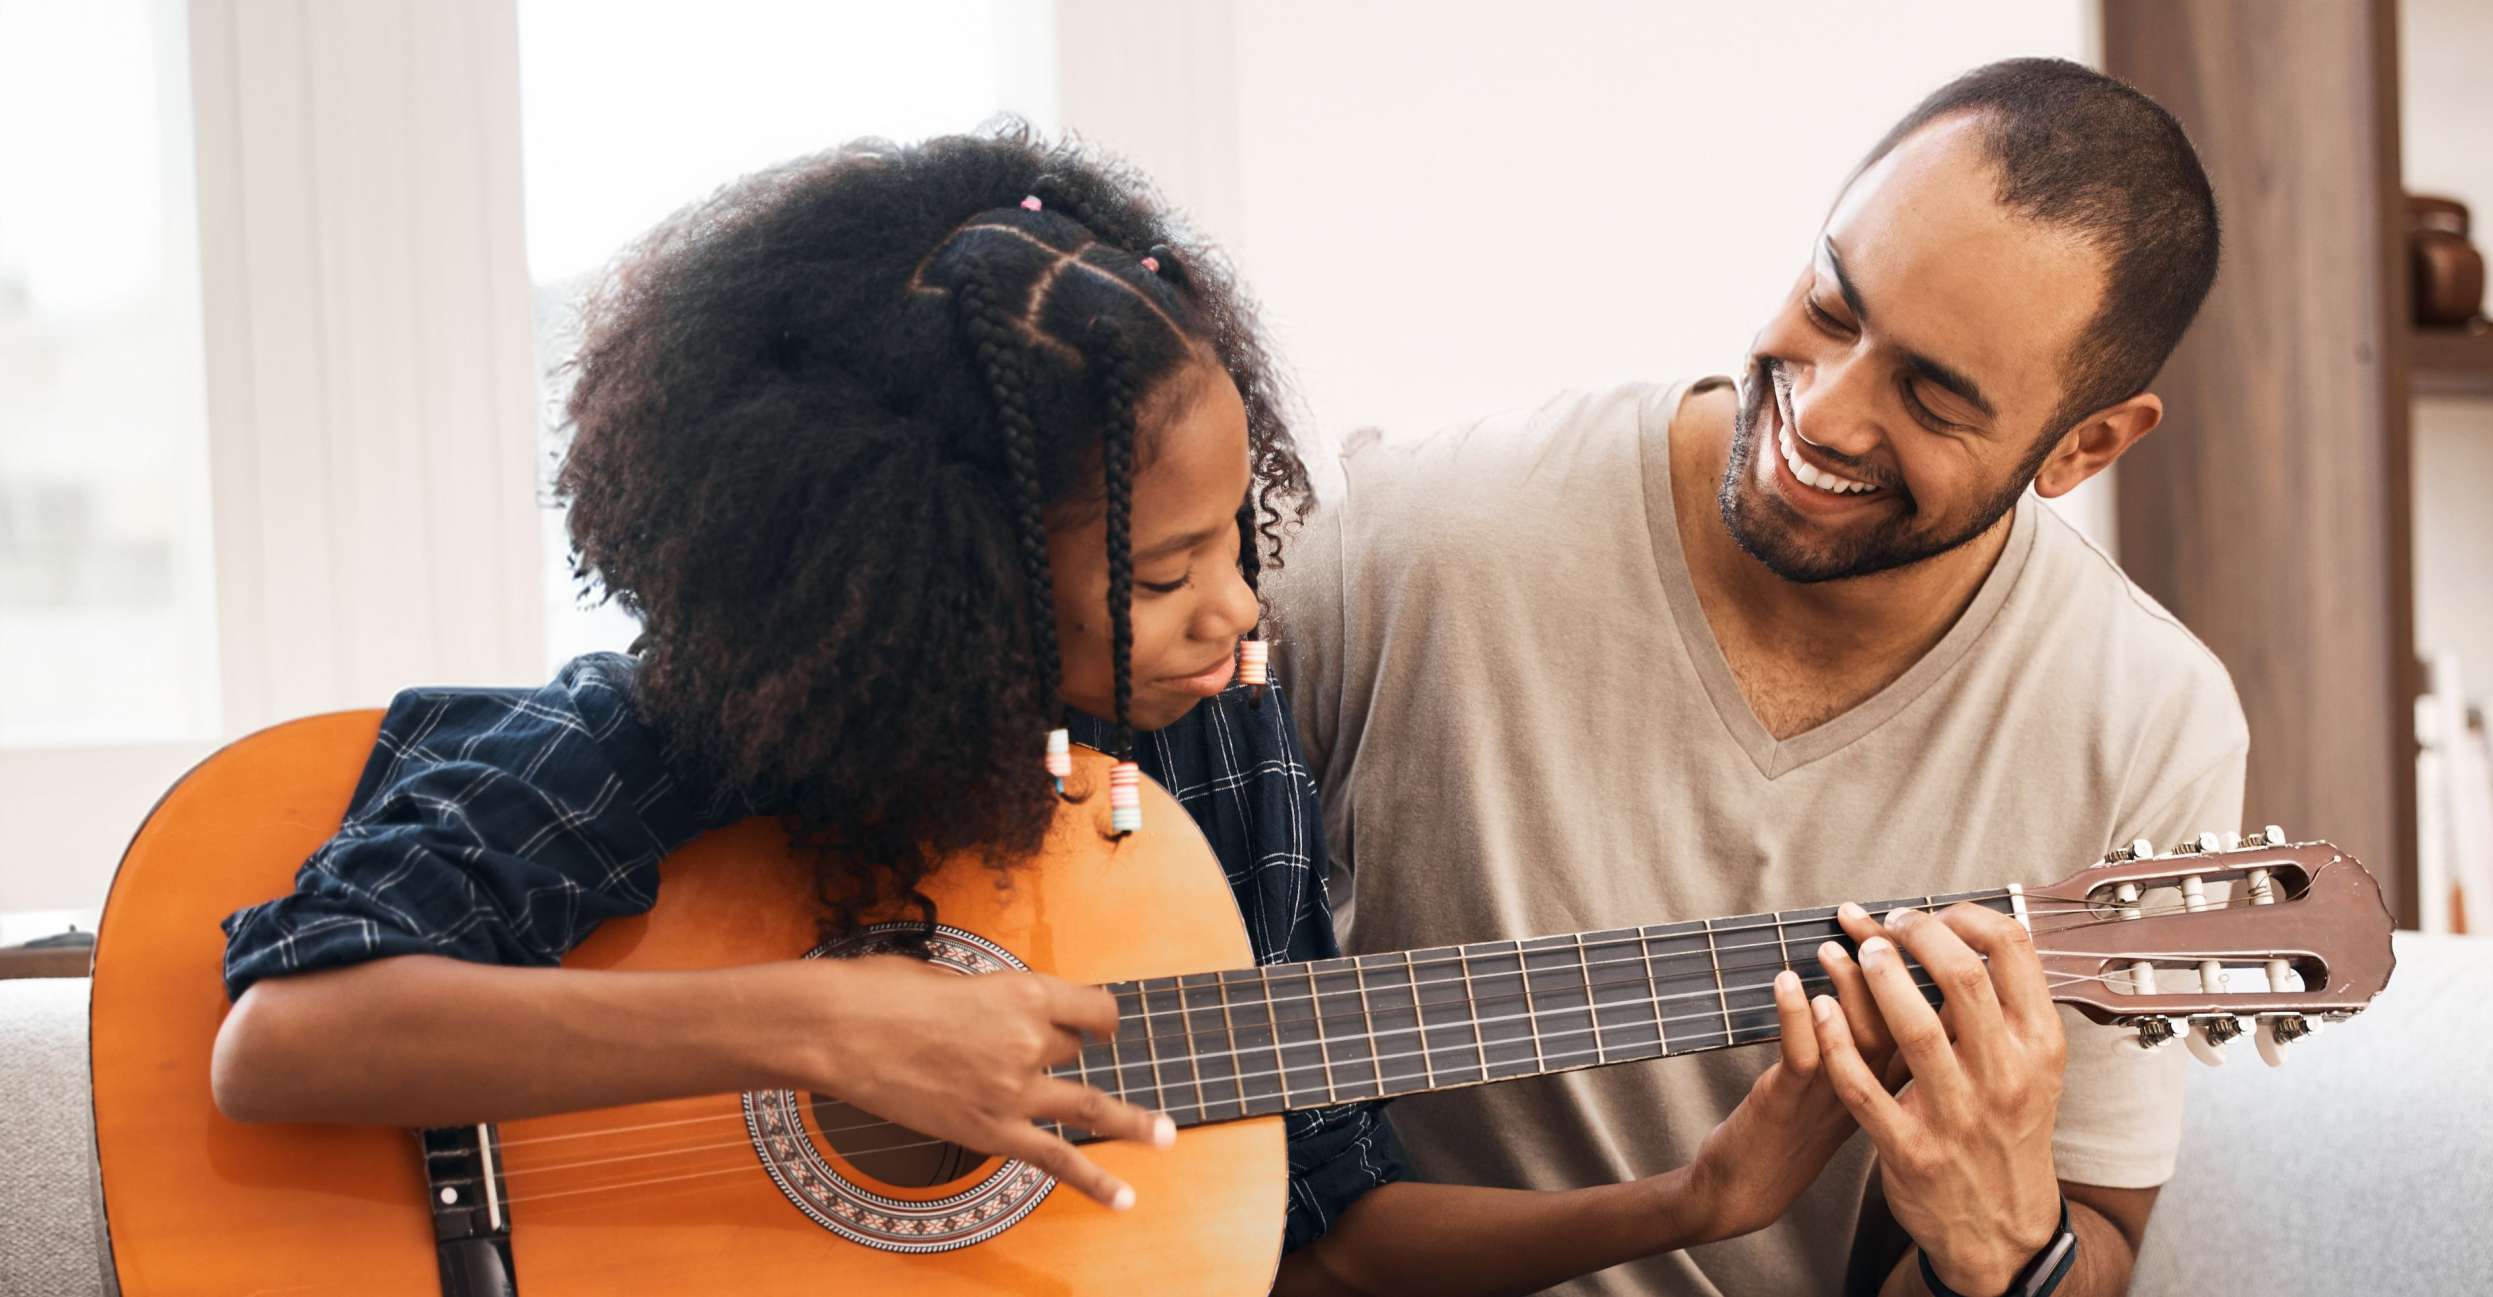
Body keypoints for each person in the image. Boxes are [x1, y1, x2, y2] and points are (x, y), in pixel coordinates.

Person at [205, 127, 1880, 1293]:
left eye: (1238, 532)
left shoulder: (1220, 737)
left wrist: (1693, 1199)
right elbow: (289, 1036)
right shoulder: (692, 732)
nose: (1238, 607)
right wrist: (816, 1023)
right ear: (927, 592)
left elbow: (1324, 1246)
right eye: (1160, 578)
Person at [1282, 59, 2246, 1296]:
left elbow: (2095, 1236)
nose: (1829, 417)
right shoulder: (1420, 549)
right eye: (1834, 306)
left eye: (1933, 398)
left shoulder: (2149, 716)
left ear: (2085, 443)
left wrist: (1999, 1241)